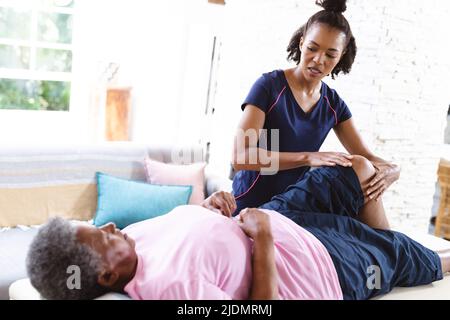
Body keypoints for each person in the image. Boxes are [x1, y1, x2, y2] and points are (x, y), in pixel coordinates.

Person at [26, 157, 447, 300]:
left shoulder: (133, 241)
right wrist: (262, 238)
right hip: (323, 265)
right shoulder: (172, 288)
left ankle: (378, 234)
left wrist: (210, 208)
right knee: (411, 254)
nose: (112, 225)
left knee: (350, 172)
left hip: (279, 216)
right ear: (105, 275)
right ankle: (396, 252)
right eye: (101, 236)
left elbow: (188, 227)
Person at [231, 0, 400, 228]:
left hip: (296, 206)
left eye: (330, 55)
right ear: (301, 43)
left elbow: (366, 158)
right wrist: (309, 157)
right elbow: (241, 157)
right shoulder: (269, 87)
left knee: (359, 180)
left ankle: (391, 253)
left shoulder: (333, 104)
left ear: (341, 56)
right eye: (312, 48)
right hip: (252, 206)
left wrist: (394, 171)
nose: (319, 60)